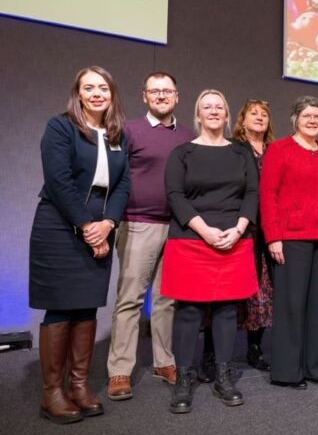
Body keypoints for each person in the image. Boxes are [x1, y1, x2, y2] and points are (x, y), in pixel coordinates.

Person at [29, 66, 130, 424]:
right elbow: (57, 181)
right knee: (60, 307)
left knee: (87, 307)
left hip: (101, 226)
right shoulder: (61, 127)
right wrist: (87, 225)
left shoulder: (118, 134)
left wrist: (108, 224)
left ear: (112, 93)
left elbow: (123, 187)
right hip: (59, 225)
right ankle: (52, 393)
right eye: (89, 88)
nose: (97, 93)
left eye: (103, 87)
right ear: (78, 93)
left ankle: (79, 386)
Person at [162, 89, 259, 413]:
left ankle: (222, 376)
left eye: (220, 106)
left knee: (227, 311)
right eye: (208, 107)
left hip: (234, 238)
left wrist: (239, 228)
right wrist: (204, 230)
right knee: (188, 311)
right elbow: (175, 195)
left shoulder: (242, 153)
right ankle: (184, 379)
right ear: (198, 115)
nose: (214, 111)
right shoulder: (182, 153)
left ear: (227, 114)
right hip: (191, 239)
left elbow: (252, 193)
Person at [106, 72, 195, 401]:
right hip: (137, 223)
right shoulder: (128, 131)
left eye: (167, 91)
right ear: (144, 96)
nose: (161, 96)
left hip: (175, 227)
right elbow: (114, 178)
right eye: (154, 91)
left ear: (177, 96)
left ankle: (164, 361)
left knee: (166, 299)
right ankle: (120, 369)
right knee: (130, 298)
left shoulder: (188, 136)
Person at [260, 95, 318, 388]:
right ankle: (288, 371)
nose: (313, 120)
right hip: (291, 238)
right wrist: (273, 237)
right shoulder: (279, 149)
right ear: (295, 119)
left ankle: (315, 367)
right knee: (292, 305)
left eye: (317, 116)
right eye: (307, 115)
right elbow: (268, 196)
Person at [232, 99, 276, 372]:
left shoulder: (275, 150)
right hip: (239, 228)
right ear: (243, 119)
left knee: (262, 291)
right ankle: (215, 351)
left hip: (267, 229)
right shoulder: (233, 148)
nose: (259, 118)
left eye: (264, 114)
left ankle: (254, 346)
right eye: (253, 113)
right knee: (231, 290)